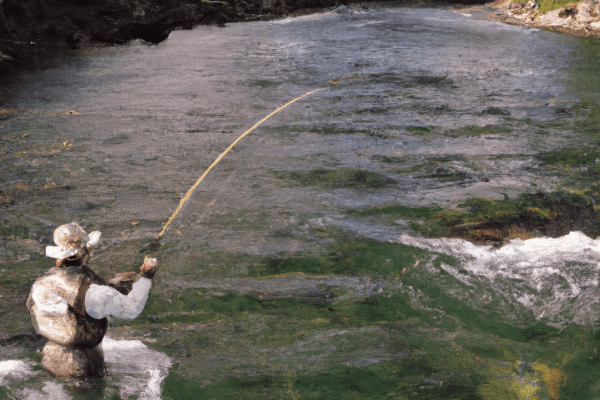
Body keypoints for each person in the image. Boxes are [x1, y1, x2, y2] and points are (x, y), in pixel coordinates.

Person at [26, 222, 157, 378]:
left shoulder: (41, 283)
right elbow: (131, 308)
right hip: (82, 367)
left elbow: (67, 305)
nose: (92, 254)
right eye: (89, 249)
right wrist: (146, 277)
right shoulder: (94, 292)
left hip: (49, 359)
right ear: (81, 254)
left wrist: (114, 288)